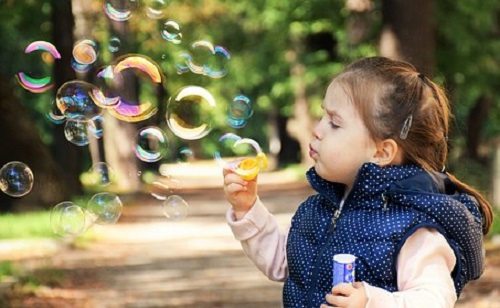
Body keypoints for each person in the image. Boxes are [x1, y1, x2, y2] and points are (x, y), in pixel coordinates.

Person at [222, 56, 493, 307]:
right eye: (322, 116)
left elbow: (434, 298)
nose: (317, 130)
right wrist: (248, 209)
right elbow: (284, 262)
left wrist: (371, 301)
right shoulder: (318, 210)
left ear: (381, 152)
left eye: (334, 123)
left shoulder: (411, 228)